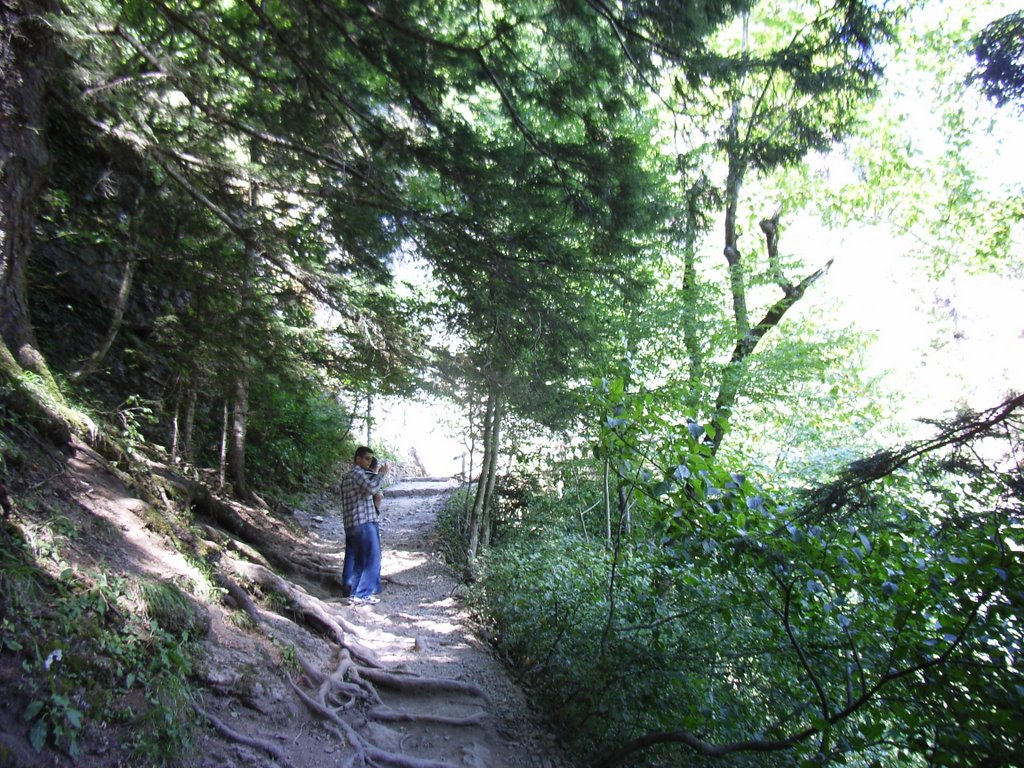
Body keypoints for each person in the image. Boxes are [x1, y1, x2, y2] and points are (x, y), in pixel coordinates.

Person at [339, 446, 389, 604]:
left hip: (351, 524)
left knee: (359, 561)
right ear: (358, 459)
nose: (369, 462)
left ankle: (354, 594)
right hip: (363, 523)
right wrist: (380, 475)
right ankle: (363, 595)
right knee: (373, 558)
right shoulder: (358, 473)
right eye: (366, 458)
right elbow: (372, 489)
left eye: (370, 459)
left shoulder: (347, 477)